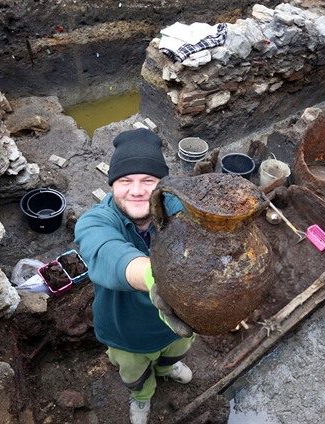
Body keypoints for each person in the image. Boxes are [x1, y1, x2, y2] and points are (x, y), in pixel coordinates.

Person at [75, 128, 194, 424]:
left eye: (148, 181)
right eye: (126, 181)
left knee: (175, 352)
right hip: (125, 332)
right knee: (135, 374)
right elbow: (108, 253)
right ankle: (142, 397)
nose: (137, 190)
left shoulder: (177, 209)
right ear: (112, 184)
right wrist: (155, 278)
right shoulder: (96, 221)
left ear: (161, 184)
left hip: (176, 323)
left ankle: (167, 369)